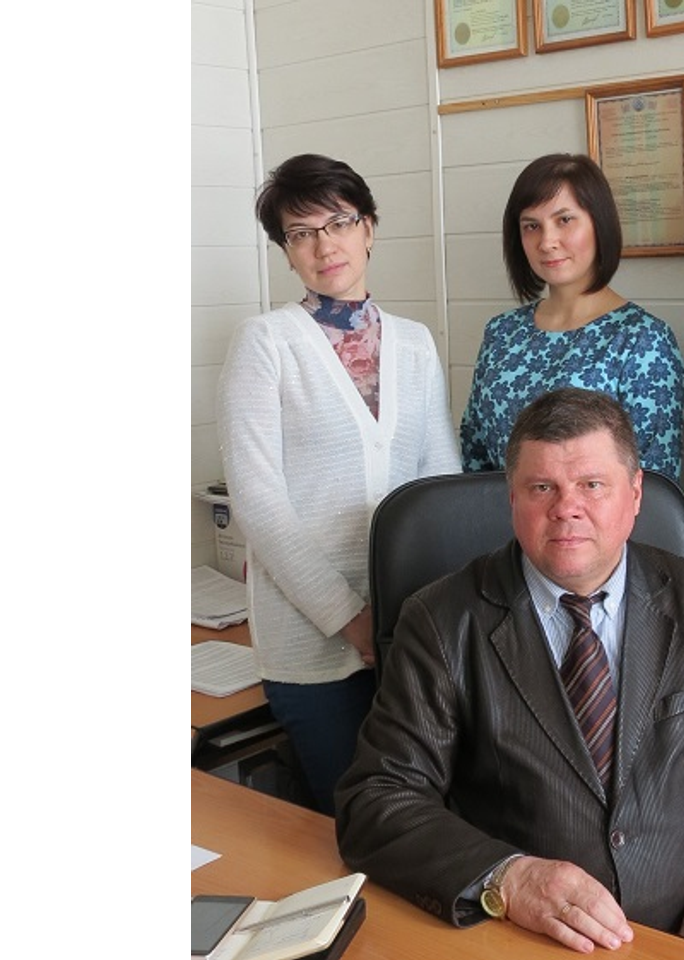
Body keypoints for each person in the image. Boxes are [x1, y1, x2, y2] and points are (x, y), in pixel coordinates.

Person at [336, 387, 684, 960]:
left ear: (634, 495)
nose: (567, 508)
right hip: (530, 933)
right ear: (512, 498)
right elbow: (378, 800)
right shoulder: (442, 621)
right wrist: (511, 878)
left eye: (592, 485)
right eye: (542, 488)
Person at [216, 153, 461, 816]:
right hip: (313, 647)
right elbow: (258, 502)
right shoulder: (265, 343)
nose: (324, 246)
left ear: (369, 228)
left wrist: (430, 618)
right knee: (355, 821)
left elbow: (440, 483)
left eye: (339, 223)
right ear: (285, 250)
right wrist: (352, 619)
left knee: (427, 819)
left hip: (414, 635)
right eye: (301, 233)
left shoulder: (414, 343)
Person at [459, 153, 684, 481]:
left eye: (564, 220)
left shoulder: (643, 340)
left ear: (599, 224)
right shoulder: (501, 332)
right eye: (532, 226)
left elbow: (654, 484)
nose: (547, 242)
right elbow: (474, 455)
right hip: (496, 512)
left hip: (591, 517)